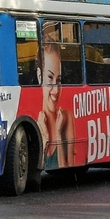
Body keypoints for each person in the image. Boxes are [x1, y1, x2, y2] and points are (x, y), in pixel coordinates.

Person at [37, 39, 75, 170]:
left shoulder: (66, 117)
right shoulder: (37, 123)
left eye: (59, 80)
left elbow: (67, 167)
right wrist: (45, 139)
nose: (56, 90)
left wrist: (58, 134)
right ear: (39, 76)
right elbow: (38, 168)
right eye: (49, 78)